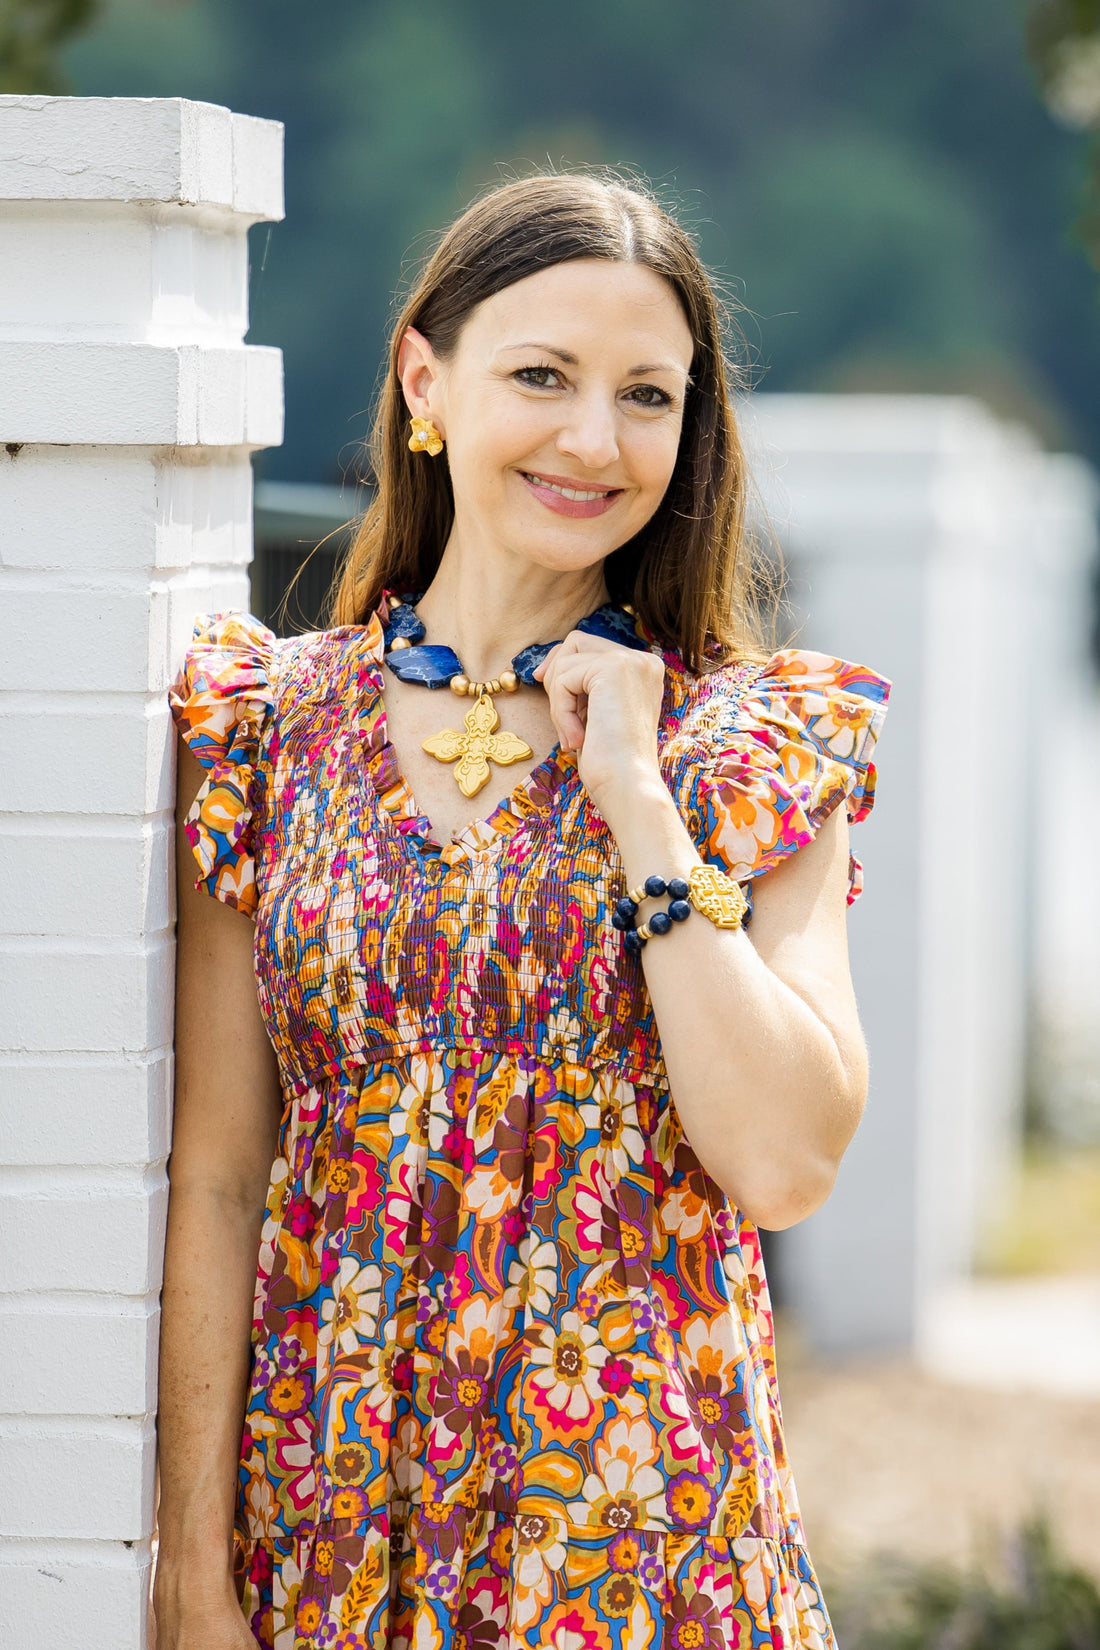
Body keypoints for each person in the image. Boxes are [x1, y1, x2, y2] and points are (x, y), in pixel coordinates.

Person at [153, 170, 890, 1650]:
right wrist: (192, 1567)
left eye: (646, 396)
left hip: (641, 1530)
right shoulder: (265, 731)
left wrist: (639, 798)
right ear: (425, 380)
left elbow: (784, 1159)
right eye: (542, 376)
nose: (594, 440)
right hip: (338, 1514)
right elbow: (221, 1176)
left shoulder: (749, 745)